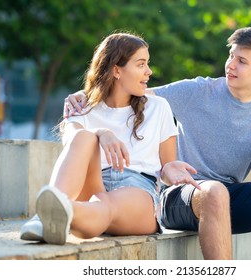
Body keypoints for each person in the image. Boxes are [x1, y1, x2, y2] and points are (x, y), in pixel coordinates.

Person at [63, 26, 251, 259]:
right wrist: (83, 96)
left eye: (241, 61)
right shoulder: (197, 90)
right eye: (231, 56)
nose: (230, 65)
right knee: (214, 192)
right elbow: (136, 91)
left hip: (227, 195)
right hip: (179, 193)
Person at [20, 32, 199, 245]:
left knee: (104, 206)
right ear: (116, 70)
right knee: (84, 137)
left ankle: (60, 212)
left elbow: (167, 165)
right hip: (93, 183)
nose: (149, 72)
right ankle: (49, 216)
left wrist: (170, 170)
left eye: (147, 64)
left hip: (138, 191)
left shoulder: (158, 107)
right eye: (141, 64)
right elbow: (72, 139)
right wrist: (101, 133)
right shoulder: (82, 106)